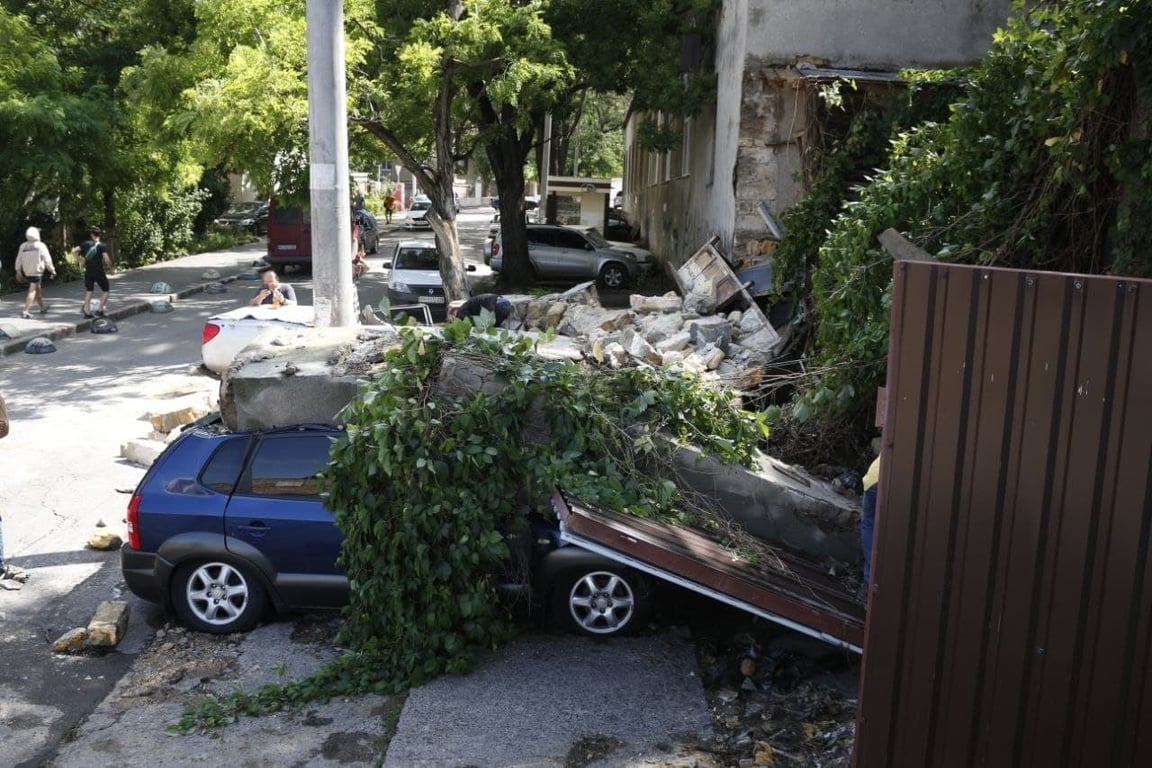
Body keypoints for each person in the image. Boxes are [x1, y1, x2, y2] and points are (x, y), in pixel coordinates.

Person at [15, 226, 56, 319]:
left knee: (38, 289)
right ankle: (25, 311)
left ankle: (42, 307)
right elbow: (47, 259)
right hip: (37, 271)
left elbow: (18, 259)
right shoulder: (41, 245)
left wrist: (18, 271)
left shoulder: (23, 246)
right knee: (32, 290)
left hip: (27, 271)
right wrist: (52, 270)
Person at [77, 226, 113, 317]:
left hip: (88, 271)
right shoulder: (101, 246)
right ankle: (100, 310)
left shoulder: (85, 244)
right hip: (98, 271)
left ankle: (87, 311)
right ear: (99, 234)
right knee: (106, 290)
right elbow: (106, 259)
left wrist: (79, 260)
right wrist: (110, 269)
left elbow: (74, 251)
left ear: (91, 235)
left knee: (89, 290)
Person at [859, 453, 881, 598]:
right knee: (870, 524)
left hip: (875, 479)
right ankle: (870, 580)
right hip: (881, 479)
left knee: (869, 524)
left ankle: (869, 581)